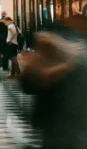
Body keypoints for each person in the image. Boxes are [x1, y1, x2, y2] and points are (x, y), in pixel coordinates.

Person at [20, 16, 87, 149]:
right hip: (63, 128)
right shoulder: (71, 53)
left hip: (65, 129)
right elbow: (29, 85)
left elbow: (29, 85)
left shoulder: (68, 55)